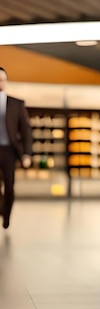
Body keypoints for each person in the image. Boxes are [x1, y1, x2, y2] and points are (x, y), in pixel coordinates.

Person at [0, 67, 32, 230]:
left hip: (9, 151)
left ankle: (6, 215)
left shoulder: (15, 103)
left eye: (3, 79)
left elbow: (25, 130)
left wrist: (26, 153)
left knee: (10, 185)